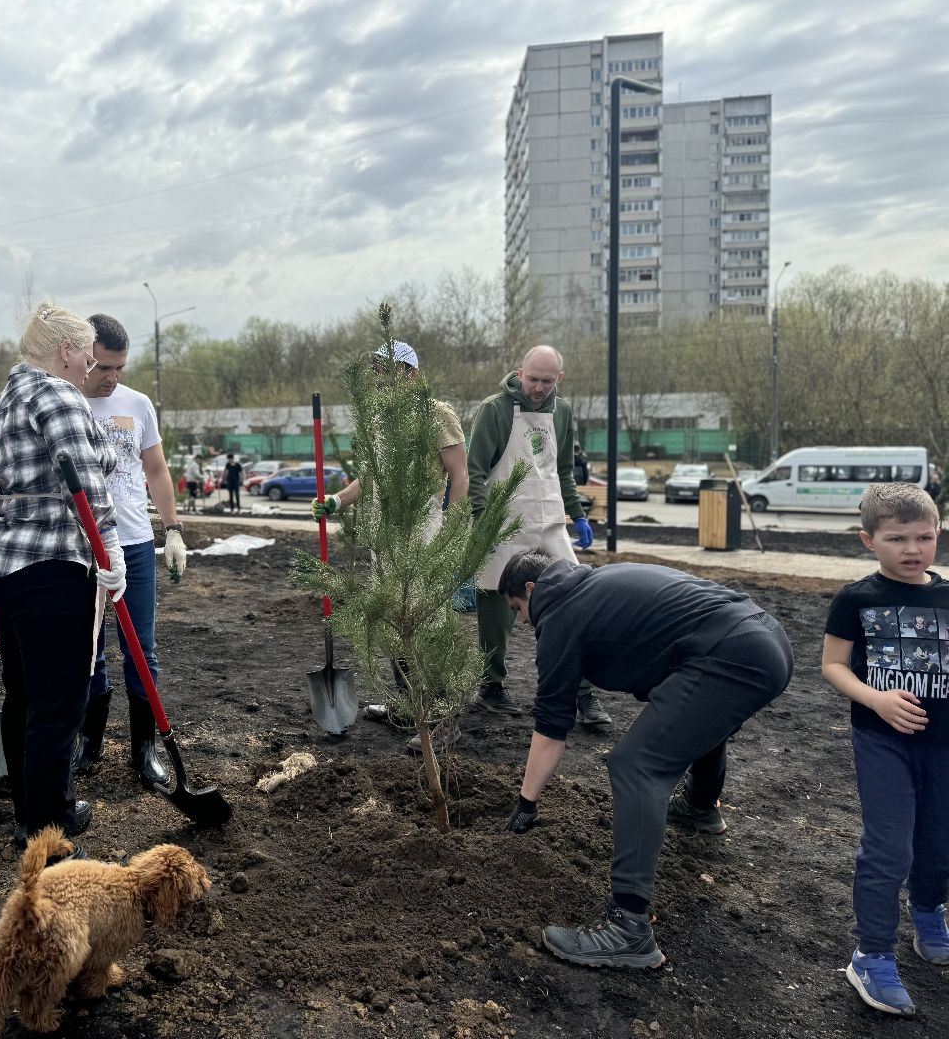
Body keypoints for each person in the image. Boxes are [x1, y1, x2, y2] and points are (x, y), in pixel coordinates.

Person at [500, 549, 792, 968]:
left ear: (532, 589)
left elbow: (551, 724)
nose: (523, 622)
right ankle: (699, 807)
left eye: (518, 609)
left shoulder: (560, 613)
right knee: (689, 712)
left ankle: (628, 927)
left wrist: (526, 802)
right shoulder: (597, 583)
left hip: (733, 652)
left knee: (635, 765)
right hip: (765, 638)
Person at [0, 302, 125, 857]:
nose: (89, 367)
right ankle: (47, 832)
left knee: (26, 696)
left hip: (3, 569)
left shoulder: (3, 400)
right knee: (60, 703)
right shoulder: (58, 394)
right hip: (54, 565)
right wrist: (110, 551)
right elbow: (86, 482)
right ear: (65, 352)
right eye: (86, 356)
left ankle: (32, 814)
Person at [822, 483, 949, 1017]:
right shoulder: (856, 599)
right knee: (889, 847)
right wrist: (876, 700)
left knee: (939, 839)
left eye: (924, 536)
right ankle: (872, 954)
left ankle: (927, 913)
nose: (912, 549)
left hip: (943, 746)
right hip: (883, 743)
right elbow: (832, 666)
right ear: (868, 540)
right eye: (897, 538)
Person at [312, 340, 469, 749]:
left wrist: (452, 534)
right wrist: (335, 501)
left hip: (422, 532)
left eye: (388, 372)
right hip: (383, 536)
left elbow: (460, 476)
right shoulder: (380, 421)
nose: (379, 381)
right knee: (393, 622)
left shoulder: (438, 415)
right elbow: (370, 479)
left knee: (426, 626)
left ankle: (444, 719)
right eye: (376, 373)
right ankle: (406, 706)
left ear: (411, 375)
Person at [69, 313, 189, 788]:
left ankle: (145, 749)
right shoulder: (65, 403)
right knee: (89, 650)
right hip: (81, 548)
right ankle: (90, 742)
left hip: (135, 544)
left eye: (119, 368)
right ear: (82, 355)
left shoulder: (137, 405)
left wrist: (173, 529)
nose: (111, 378)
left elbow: (156, 471)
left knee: (143, 648)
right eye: (102, 367)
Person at [466, 345, 610, 726]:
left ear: (558, 379)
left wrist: (577, 515)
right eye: (533, 379)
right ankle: (491, 686)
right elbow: (475, 470)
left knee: (577, 600)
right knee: (496, 608)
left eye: (547, 381)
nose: (539, 387)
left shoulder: (562, 412)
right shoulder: (494, 410)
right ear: (520, 372)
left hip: (548, 521)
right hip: (503, 523)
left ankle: (583, 694)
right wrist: (482, 521)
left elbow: (563, 470)